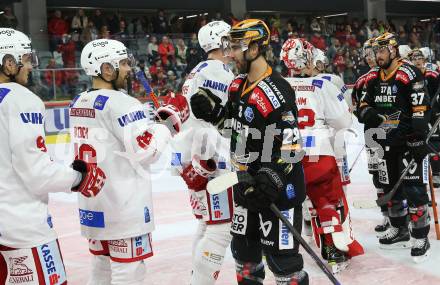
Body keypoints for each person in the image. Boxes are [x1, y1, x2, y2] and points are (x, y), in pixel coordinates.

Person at [191, 19, 308, 285]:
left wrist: (271, 178)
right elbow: (234, 129)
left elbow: (291, 147)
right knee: (244, 257)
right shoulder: (237, 86)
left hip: (277, 191)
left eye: (235, 48)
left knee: (284, 264)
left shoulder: (277, 91)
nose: (230, 54)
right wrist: (215, 114)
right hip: (246, 187)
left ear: (254, 49)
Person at [71, 38, 189, 285]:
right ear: (106, 69)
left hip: (93, 207)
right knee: (129, 273)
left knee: (100, 269)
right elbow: (146, 151)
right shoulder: (123, 103)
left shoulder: (78, 102)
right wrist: (166, 126)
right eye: (123, 63)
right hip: (124, 209)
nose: (129, 69)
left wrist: (151, 122)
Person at [0, 28, 105, 285]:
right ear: (8, 62)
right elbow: (37, 174)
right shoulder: (21, 100)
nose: (30, 66)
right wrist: (79, 177)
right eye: (25, 59)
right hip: (21, 228)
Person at [281, 38, 364, 273]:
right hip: (319, 151)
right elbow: (343, 121)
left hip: (286, 153)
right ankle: (333, 251)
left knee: (289, 204)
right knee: (328, 202)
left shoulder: (277, 84)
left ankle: (282, 255)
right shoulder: (323, 83)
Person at [357, 32, 432, 263]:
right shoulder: (373, 78)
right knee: (389, 186)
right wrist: (367, 113)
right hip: (384, 142)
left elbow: (420, 108)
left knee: (415, 189)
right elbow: (362, 105)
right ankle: (399, 227)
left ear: (392, 50)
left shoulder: (409, 73)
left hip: (409, 141)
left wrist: (419, 138)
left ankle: (420, 236)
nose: (376, 56)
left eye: (381, 51)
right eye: (374, 51)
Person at [171, 20, 235, 285]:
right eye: (231, 40)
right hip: (212, 161)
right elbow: (224, 121)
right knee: (220, 229)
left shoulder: (197, 70)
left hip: (194, 158)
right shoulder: (220, 72)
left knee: (206, 224)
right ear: (222, 43)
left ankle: (198, 278)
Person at [409, 47, 440, 188]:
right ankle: (421, 177)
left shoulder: (432, 74)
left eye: (419, 58)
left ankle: (437, 174)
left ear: (424, 60)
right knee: (420, 144)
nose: (417, 61)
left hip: (434, 114)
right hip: (417, 115)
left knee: (435, 141)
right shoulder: (409, 77)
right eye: (414, 59)